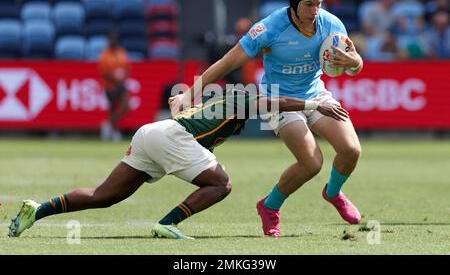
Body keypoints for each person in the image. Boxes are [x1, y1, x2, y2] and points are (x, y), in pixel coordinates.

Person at [8, 88, 349, 239]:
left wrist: (178, 104)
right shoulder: (243, 99)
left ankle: (36, 211)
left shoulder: (224, 102)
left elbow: (187, 117)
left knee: (104, 195)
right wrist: (311, 105)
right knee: (221, 184)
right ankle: (168, 224)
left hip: (152, 133)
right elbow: (272, 101)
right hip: (171, 138)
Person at [170, 0, 364, 237]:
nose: (315, 10)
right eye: (309, 4)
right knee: (311, 163)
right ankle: (270, 206)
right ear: (294, 4)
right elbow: (228, 62)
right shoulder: (270, 28)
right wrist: (189, 93)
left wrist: (353, 63)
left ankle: (333, 193)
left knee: (351, 150)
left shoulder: (331, 24)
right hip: (279, 100)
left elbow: (355, 63)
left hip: (316, 94)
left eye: (318, 3)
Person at [98, 33, 131, 141]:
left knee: (126, 106)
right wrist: (115, 80)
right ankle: (113, 130)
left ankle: (109, 125)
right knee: (112, 109)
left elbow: (127, 68)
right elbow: (104, 72)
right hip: (110, 86)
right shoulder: (105, 54)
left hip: (121, 85)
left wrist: (123, 78)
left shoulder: (121, 53)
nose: (113, 41)